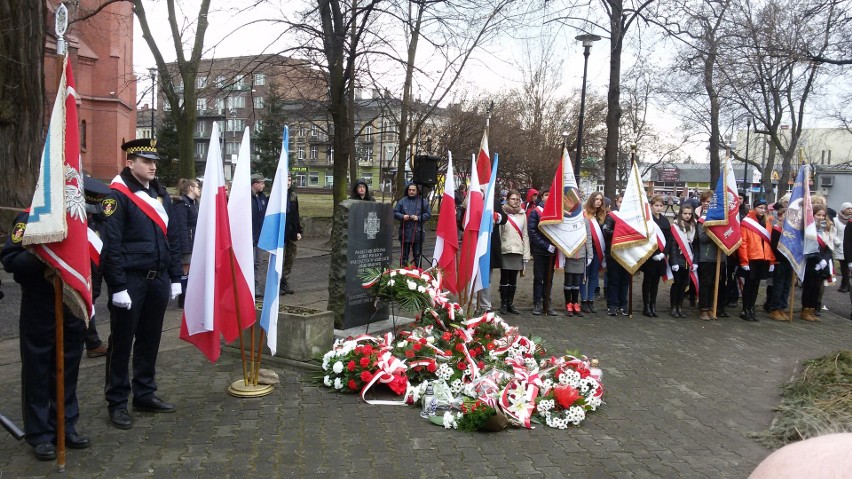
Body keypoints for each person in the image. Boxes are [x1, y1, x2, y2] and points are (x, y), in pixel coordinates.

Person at [102, 138, 183, 429]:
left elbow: (172, 239)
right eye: (146, 161)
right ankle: (117, 401)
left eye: (154, 161)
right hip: (131, 282)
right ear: (130, 163)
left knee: (150, 339)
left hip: (158, 279)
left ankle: (145, 393)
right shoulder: (117, 195)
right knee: (122, 342)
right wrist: (118, 286)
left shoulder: (160, 194)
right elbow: (110, 246)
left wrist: (175, 276)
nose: (152, 166)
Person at [83, 176, 111, 358]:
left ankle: (92, 342)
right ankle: (92, 342)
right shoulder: (77, 218)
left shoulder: (99, 219)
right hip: (83, 271)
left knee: (90, 302)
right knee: (85, 305)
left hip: (96, 269)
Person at [737, 198, 776, 322]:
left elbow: (769, 243)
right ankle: (745, 309)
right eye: (760, 207)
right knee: (749, 285)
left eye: (764, 208)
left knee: (756, 285)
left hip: (763, 258)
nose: (762, 210)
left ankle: (751, 308)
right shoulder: (747, 222)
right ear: (754, 208)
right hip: (751, 258)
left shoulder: (767, 222)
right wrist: (744, 261)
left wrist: (771, 260)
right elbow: (743, 242)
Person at [696, 199, 730, 320]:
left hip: (720, 258)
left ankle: (712, 307)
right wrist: (715, 230)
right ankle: (703, 308)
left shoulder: (722, 220)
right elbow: (702, 238)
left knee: (717, 284)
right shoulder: (703, 220)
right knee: (706, 283)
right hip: (707, 257)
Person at [800, 204, 835, 322]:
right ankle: (805, 310)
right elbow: (809, 247)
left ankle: (812, 309)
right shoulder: (809, 229)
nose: (821, 217)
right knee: (809, 287)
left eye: (823, 215)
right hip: (812, 261)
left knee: (816, 287)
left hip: (823, 263)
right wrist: (819, 260)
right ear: (813, 215)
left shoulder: (826, 229)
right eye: (818, 215)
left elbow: (829, 246)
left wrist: (825, 259)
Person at [475, 189, 508, 313]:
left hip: (489, 245)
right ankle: (472, 304)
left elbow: (504, 218)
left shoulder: (493, 202)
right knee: (473, 276)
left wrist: (496, 216)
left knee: (486, 277)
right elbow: (461, 222)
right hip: (474, 245)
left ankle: (485, 305)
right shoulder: (471, 201)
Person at [498, 190, 530, 315]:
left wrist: (526, 254)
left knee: (513, 279)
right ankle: (503, 303)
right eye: (513, 199)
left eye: (517, 199)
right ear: (507, 199)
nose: (515, 201)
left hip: (518, 250)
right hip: (505, 249)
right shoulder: (502, 213)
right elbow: (499, 233)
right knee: (504, 278)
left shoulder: (523, 214)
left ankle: (511, 303)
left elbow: (526, 235)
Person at [640, 195, 671, 317]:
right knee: (648, 281)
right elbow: (645, 238)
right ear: (651, 206)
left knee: (656, 282)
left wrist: (664, 253)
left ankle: (653, 304)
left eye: (660, 206)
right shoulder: (648, 221)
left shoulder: (665, 221)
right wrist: (653, 253)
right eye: (656, 205)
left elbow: (669, 239)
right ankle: (646, 305)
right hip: (650, 256)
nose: (658, 208)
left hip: (661, 256)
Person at [528, 189, 558, 316]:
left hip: (552, 251)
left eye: (550, 195)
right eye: (546, 195)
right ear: (542, 197)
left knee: (549, 278)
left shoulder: (556, 212)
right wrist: (546, 245)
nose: (548, 197)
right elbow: (532, 232)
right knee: (539, 278)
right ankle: (537, 302)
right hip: (540, 250)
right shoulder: (536, 212)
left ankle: (547, 302)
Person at [171, 178, 200, 308]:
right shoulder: (182, 204)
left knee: (190, 270)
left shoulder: (193, 204)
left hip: (193, 241)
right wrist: (185, 248)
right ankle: (183, 299)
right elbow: (181, 227)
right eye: (196, 186)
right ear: (190, 188)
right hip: (187, 243)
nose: (199, 188)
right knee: (185, 270)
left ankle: (188, 296)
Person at [667, 205, 697, 318]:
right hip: (677, 259)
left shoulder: (693, 226)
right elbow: (673, 246)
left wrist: (695, 262)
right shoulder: (675, 226)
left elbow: (695, 246)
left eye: (689, 214)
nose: (687, 216)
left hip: (688, 259)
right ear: (681, 214)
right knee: (677, 284)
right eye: (685, 213)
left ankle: (680, 306)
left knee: (684, 284)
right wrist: (674, 262)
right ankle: (673, 307)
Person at [394, 182, 431, 268]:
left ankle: (418, 274)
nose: (411, 192)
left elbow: (428, 214)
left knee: (417, 256)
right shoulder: (402, 201)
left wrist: (418, 218)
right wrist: (403, 216)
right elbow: (395, 212)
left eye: (413, 190)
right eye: (410, 190)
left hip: (418, 232)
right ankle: (402, 275)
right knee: (404, 256)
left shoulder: (423, 201)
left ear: (417, 191)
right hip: (405, 233)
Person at [581, 192, 606, 313]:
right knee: (584, 276)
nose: (598, 201)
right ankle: (583, 301)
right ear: (591, 200)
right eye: (596, 199)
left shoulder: (601, 216)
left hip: (597, 250)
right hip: (586, 249)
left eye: (600, 200)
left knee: (594, 276)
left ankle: (591, 301)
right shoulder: (584, 214)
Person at [563, 214, 593, 317]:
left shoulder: (585, 220)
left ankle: (575, 303)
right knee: (568, 281)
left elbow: (588, 237)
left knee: (577, 282)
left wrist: (590, 254)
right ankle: (568, 304)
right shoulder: (567, 220)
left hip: (580, 255)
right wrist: (562, 256)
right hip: (569, 254)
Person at [767, 208, 793, 321]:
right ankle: (775, 309)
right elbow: (774, 247)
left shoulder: (790, 231)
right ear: (780, 216)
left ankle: (782, 307)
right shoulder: (776, 230)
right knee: (778, 286)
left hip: (789, 262)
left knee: (787, 286)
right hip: (780, 261)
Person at [281, 175, 303, 295]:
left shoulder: (293, 195)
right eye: (286, 180)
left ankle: (285, 281)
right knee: (279, 258)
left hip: (291, 231)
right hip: (280, 232)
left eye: (289, 180)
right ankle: (276, 283)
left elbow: (296, 215)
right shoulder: (276, 196)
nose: (288, 182)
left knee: (290, 258)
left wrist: (298, 231)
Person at [251, 173, 270, 297]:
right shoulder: (247, 198)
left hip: (259, 236)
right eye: (262, 183)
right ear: (255, 184)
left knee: (257, 262)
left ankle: (255, 285)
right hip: (249, 236)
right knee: (248, 262)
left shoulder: (263, 198)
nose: (264, 185)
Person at [833, 202, 851, 293]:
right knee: (843, 267)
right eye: (848, 208)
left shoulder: (851, 220)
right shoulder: (836, 220)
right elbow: (834, 231)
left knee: (847, 268)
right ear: (843, 209)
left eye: (851, 208)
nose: (850, 210)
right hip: (840, 245)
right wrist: (837, 241)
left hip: (849, 247)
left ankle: (846, 285)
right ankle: (844, 285)